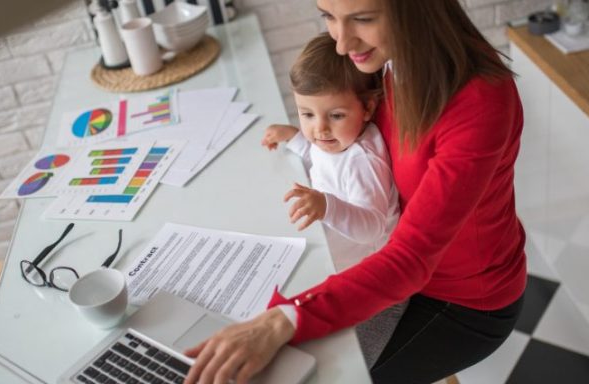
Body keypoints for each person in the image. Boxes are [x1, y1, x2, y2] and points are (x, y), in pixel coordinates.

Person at [183, 1, 526, 383]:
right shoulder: (387, 60)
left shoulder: (479, 102)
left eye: (362, 19)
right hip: (393, 268)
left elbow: (410, 259)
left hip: (461, 302)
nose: (342, 44)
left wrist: (285, 318)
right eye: (329, 16)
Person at [260, 32, 406, 368]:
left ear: (367, 108)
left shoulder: (361, 160)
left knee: (351, 364)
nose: (320, 129)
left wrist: (327, 206)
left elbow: (371, 227)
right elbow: (322, 158)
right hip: (338, 261)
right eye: (307, 115)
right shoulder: (337, 140)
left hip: (374, 288)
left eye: (335, 116)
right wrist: (295, 139)